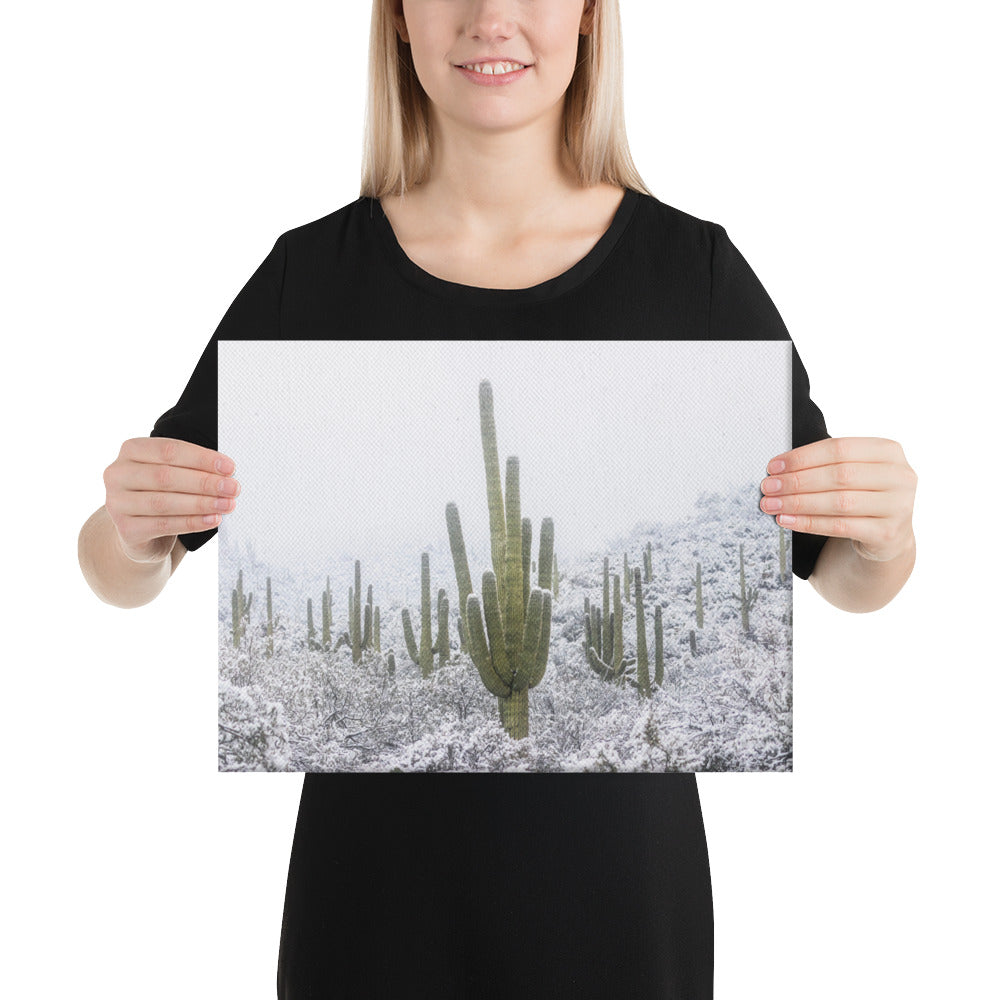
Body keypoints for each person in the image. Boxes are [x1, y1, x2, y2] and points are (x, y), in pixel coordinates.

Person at [77, 1, 918, 996]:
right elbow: (123, 565)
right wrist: (131, 532)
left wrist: (884, 531)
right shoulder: (312, 279)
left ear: (591, 18)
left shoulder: (691, 276)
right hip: (370, 911)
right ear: (397, 19)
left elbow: (840, 572)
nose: (492, 18)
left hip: (620, 910)